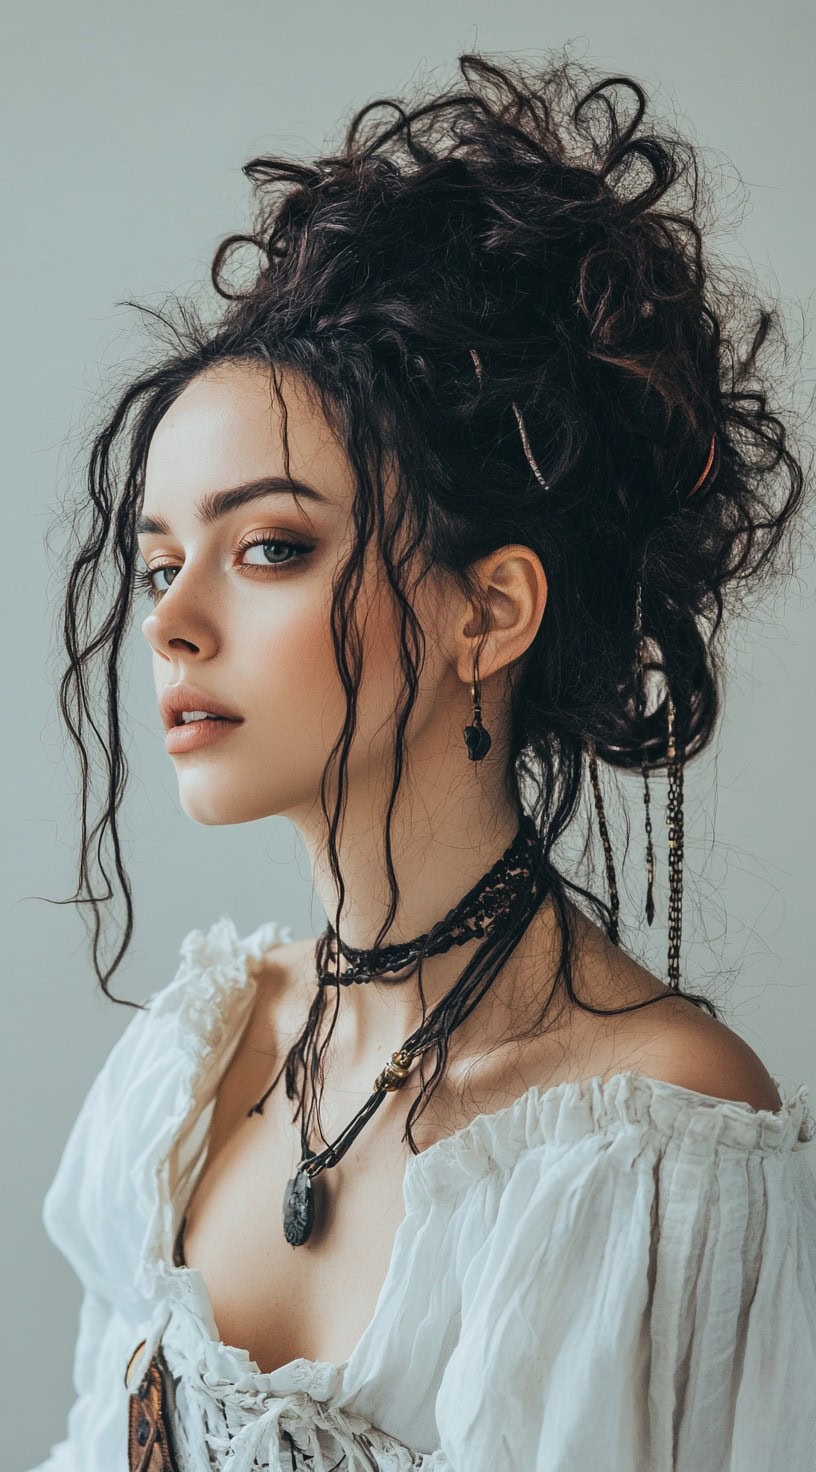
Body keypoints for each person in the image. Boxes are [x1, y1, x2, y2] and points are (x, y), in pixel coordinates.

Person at [27, 48, 816, 1472]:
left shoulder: (660, 1146)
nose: (176, 624)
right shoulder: (190, 1066)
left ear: (489, 610)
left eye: (269, 547)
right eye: (158, 566)